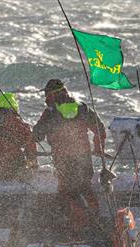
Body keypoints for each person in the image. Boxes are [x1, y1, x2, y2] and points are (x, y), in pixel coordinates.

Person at [33, 79, 107, 233]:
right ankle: (94, 222)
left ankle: (74, 229)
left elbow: (37, 136)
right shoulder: (82, 108)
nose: (46, 97)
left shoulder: (50, 113)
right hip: (84, 159)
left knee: (66, 193)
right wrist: (98, 148)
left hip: (63, 161)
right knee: (85, 189)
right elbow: (99, 128)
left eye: (47, 94)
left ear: (55, 94)